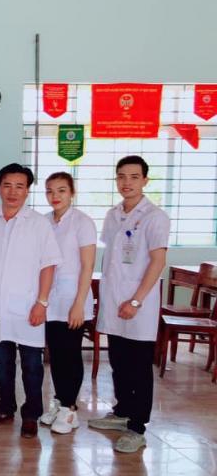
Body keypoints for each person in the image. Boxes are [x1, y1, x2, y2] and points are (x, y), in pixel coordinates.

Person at [88, 155, 169, 453]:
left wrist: (136, 300)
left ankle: (137, 427)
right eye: (121, 176)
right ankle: (122, 412)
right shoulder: (113, 214)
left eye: (134, 177)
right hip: (114, 300)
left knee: (138, 367)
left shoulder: (155, 217)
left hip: (138, 304)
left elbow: (158, 261)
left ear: (145, 180)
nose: (127, 182)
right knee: (119, 362)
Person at [0, 163, 62, 439]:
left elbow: (48, 265)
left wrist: (42, 302)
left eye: (19, 186)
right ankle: (5, 407)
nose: (13, 192)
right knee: (1, 362)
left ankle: (31, 414)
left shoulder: (38, 224)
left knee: (31, 365)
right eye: (7, 185)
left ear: (27, 191)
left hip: (28, 307)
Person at [39, 172, 96, 434]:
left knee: (71, 354)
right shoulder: (44, 222)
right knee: (56, 354)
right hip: (51, 299)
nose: (55, 196)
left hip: (74, 297)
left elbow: (87, 266)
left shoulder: (82, 222)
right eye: (50, 191)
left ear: (72, 192)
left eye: (61, 190)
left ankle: (70, 409)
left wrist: (78, 303)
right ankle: (60, 402)